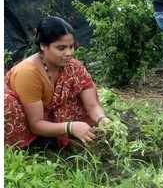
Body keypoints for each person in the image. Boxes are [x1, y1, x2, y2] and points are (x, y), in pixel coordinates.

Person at [5, 16, 111, 149]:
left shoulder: (73, 66)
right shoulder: (28, 73)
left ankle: (57, 136)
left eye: (71, 47)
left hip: (51, 119)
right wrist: (70, 126)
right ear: (43, 46)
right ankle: (35, 143)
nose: (69, 53)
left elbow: (92, 105)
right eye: (61, 48)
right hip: (26, 121)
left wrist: (102, 119)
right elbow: (35, 124)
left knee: (78, 103)